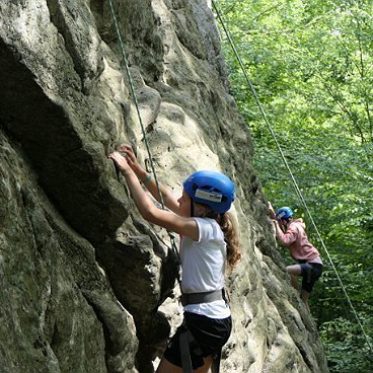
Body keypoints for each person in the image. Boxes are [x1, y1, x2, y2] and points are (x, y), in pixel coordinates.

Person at [109, 145, 241, 373]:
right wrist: (139, 171)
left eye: (185, 197)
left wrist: (127, 173)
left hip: (204, 323)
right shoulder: (207, 222)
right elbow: (167, 197)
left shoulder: (203, 228)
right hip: (214, 321)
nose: (179, 199)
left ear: (201, 206)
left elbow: (151, 213)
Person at [268, 203, 323, 310]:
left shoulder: (293, 227)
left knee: (288, 270)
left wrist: (275, 224)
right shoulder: (296, 225)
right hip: (316, 265)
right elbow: (285, 231)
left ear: (284, 221)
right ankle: (308, 323)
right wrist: (273, 214)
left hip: (311, 265)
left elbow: (284, 240)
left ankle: (295, 294)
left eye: (280, 222)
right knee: (304, 300)